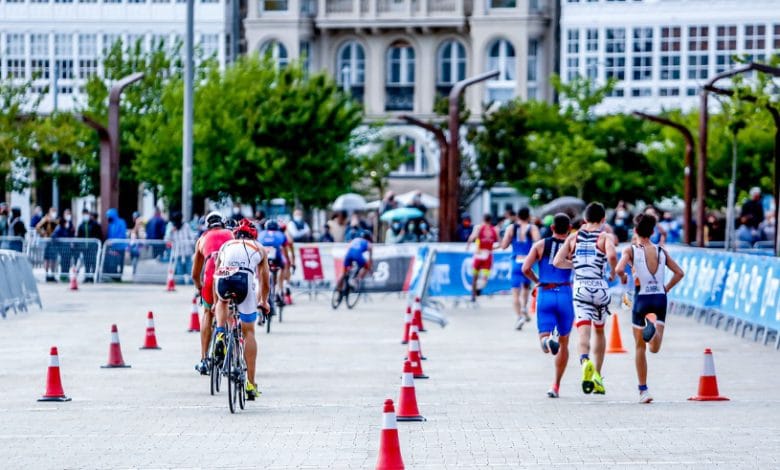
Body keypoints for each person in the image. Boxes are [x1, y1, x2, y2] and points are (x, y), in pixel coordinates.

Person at [616, 213, 684, 404]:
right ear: (653, 232)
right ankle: (652, 333)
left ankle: (643, 391)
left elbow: (619, 269)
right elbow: (679, 273)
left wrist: (623, 278)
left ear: (635, 231)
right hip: (659, 298)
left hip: (641, 299)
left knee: (640, 347)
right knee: (654, 348)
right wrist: (666, 288)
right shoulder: (661, 251)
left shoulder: (630, 251)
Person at [553, 202, 618, 396]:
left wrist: (575, 265)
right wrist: (613, 271)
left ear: (584, 220)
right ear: (603, 220)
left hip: (580, 286)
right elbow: (613, 256)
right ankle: (597, 375)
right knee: (599, 331)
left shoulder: (574, 237)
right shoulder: (605, 236)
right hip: (600, 287)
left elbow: (557, 261)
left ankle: (584, 361)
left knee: (583, 331)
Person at [213, 218, 270, 400]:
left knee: (222, 302)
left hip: (223, 279)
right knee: (249, 332)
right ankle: (251, 384)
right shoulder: (259, 248)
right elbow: (264, 279)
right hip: (244, 280)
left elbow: (215, 272)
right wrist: (264, 301)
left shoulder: (226, 245)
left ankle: (220, 332)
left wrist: (216, 302)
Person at [522, 213, 574, 398]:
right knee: (565, 343)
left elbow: (525, 268)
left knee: (544, 341)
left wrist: (537, 281)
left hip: (545, 293)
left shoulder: (540, 245)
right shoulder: (572, 245)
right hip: (566, 293)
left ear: (552, 228)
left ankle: (546, 341)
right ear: (569, 229)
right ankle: (556, 386)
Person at [192, 212, 234, 375]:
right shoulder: (231, 234)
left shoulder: (202, 239)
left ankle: (204, 360)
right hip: (228, 273)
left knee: (207, 313)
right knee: (229, 311)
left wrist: (199, 287)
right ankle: (232, 355)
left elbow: (195, 273)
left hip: (210, 274)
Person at [501, 207, 540, 329]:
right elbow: (539, 243)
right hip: (527, 262)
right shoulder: (532, 228)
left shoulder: (511, 228)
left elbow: (504, 245)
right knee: (525, 289)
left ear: (517, 216)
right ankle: (524, 308)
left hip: (515, 262)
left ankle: (519, 316)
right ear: (528, 216)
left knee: (515, 293)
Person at [257, 220, 292, 317]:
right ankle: (278, 289)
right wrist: (288, 262)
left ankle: (260, 301)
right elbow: (285, 251)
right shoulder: (281, 234)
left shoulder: (261, 234)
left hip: (264, 255)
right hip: (276, 255)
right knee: (282, 267)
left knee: (260, 276)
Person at [467, 214, 499, 302]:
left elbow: (471, 238)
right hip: (487, 254)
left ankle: (473, 295)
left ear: (483, 219)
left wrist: (468, 246)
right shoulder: (494, 229)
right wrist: (491, 249)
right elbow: (500, 243)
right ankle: (477, 290)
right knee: (485, 278)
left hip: (479, 254)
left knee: (475, 276)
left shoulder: (478, 227)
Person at [167, 211, 195, 284]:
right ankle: (181, 286)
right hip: (178, 254)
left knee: (190, 271)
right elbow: (167, 239)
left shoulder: (186, 226)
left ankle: (191, 285)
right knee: (179, 273)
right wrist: (171, 232)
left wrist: (188, 243)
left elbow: (192, 238)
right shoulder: (172, 227)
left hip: (187, 253)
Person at [77, 209, 102, 282]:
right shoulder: (81, 225)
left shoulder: (95, 224)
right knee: (86, 263)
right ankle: (87, 276)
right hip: (85, 248)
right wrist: (80, 246)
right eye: (84, 214)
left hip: (93, 247)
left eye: (86, 214)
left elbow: (99, 235)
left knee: (93, 262)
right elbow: (79, 237)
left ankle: (93, 276)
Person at [103, 208, 128, 281]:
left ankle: (119, 276)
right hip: (113, 247)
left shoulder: (121, 222)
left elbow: (122, 234)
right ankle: (114, 275)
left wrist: (113, 241)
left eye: (109, 216)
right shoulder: (110, 224)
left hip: (120, 247)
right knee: (113, 262)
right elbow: (109, 235)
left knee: (120, 262)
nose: (108, 218)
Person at [36, 207, 59, 282]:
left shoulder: (56, 220)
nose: (54, 213)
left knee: (53, 259)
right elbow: (38, 227)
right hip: (47, 241)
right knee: (47, 259)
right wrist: (43, 234)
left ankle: (52, 274)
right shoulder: (46, 219)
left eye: (55, 211)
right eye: (53, 211)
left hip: (54, 241)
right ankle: (46, 275)